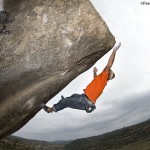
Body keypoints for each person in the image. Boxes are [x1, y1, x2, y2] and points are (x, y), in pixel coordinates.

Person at [42, 42, 121, 113]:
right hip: (83, 97)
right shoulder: (101, 80)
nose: (106, 70)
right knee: (74, 95)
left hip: (85, 102)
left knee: (65, 102)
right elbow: (95, 79)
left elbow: (109, 65)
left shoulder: (104, 78)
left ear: (108, 74)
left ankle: (50, 110)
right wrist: (94, 72)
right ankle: (65, 101)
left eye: (108, 71)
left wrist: (114, 51)